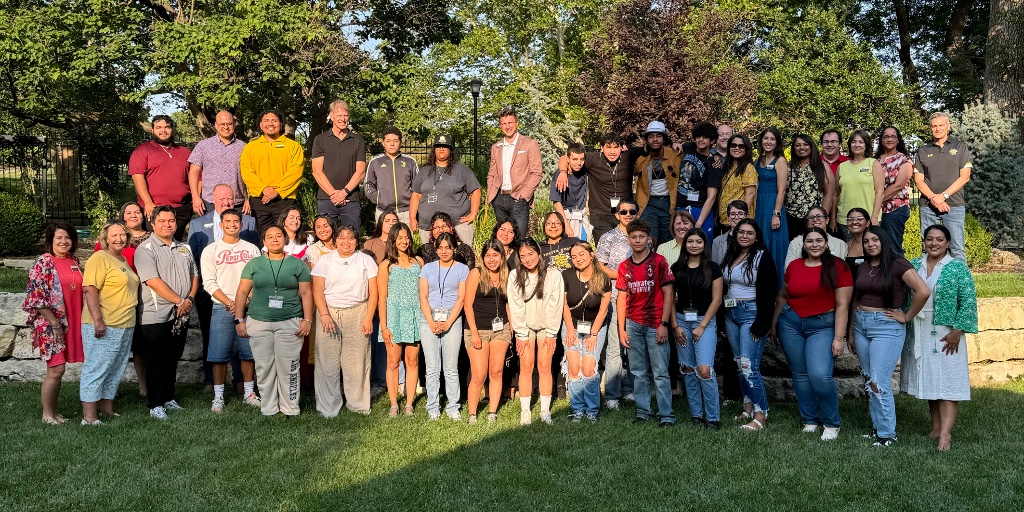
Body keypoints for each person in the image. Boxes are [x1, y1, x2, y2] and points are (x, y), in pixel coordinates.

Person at [850, 225, 930, 446]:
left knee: (878, 381)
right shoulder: (864, 265)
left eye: (875, 240)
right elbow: (857, 298)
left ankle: (887, 434)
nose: (871, 244)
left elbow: (923, 291)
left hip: (886, 327)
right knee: (868, 379)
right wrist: (850, 330)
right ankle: (878, 429)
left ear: (883, 241)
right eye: (866, 241)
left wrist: (906, 316)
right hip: (861, 325)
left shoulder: (898, 264)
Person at [901, 225, 977, 451]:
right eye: (930, 239)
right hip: (919, 328)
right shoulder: (914, 265)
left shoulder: (957, 268)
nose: (934, 243)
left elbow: (969, 301)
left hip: (946, 330)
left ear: (947, 243)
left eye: (939, 239)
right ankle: (935, 428)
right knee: (930, 379)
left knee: (948, 382)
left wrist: (957, 330)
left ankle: (945, 434)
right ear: (923, 241)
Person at [773, 227, 852, 440]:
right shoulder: (794, 266)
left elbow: (842, 305)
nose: (814, 244)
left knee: (819, 374)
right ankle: (809, 419)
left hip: (823, 325)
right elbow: (783, 295)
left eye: (819, 241)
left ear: (826, 244)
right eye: (810, 241)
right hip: (790, 323)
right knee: (800, 374)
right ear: (804, 245)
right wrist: (774, 324)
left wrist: (838, 338)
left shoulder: (838, 267)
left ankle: (831, 422)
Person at [234, 225, 313, 417]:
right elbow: (242, 292)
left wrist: (307, 319)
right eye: (270, 236)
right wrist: (239, 319)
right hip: (258, 322)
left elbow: (306, 292)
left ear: (285, 239)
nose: (275, 239)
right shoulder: (254, 264)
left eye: (279, 236)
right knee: (264, 366)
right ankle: (268, 407)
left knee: (289, 367)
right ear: (264, 241)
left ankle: (290, 407)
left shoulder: (297, 264)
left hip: (289, 321)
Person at [187, 184, 259, 392]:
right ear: (213, 199)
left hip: (245, 297)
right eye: (222, 198)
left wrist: (245, 299)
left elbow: (255, 266)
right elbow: (195, 259)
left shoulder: (249, 222)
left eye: (230, 198)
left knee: (243, 343)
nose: (226, 202)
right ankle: (212, 382)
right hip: (212, 294)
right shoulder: (198, 224)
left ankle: (240, 382)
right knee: (213, 339)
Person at [135, 206, 199, 420]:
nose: (168, 224)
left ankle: (168, 397)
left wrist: (188, 299)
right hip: (156, 315)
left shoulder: (185, 248)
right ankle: (155, 404)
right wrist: (180, 300)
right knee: (157, 360)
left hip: (182, 312)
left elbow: (194, 275)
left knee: (173, 357)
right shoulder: (145, 249)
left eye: (171, 220)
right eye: (162, 221)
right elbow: (153, 281)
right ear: (153, 224)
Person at [311, 225, 379, 416]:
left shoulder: (365, 260)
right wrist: (324, 315)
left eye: (350, 238)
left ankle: (357, 404)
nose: (346, 242)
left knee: (357, 362)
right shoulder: (325, 260)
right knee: (327, 362)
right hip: (329, 313)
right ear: (336, 240)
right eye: (341, 237)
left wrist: (368, 318)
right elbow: (317, 290)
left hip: (358, 312)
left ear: (356, 241)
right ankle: (328, 406)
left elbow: (374, 293)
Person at [199, 209, 262, 413]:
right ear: (221, 225)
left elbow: (257, 278)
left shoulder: (252, 249)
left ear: (241, 225)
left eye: (236, 221)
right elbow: (208, 282)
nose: (232, 224)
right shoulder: (211, 250)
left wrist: (245, 300)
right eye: (228, 221)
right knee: (218, 353)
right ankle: (218, 397)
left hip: (249, 307)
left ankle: (249, 393)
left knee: (248, 351)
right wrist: (230, 302)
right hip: (221, 306)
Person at [79, 220, 140, 424]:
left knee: (116, 368)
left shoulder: (121, 259)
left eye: (122, 235)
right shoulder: (99, 258)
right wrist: (98, 320)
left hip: (125, 323)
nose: (119, 238)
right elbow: (89, 289)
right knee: (97, 367)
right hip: (105, 323)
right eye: (114, 235)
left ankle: (107, 409)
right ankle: (89, 417)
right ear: (105, 239)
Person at [616, 218, 675, 427]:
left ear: (648, 239)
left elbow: (669, 294)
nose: (638, 240)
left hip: (655, 322)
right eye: (634, 237)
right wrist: (622, 328)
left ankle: (666, 414)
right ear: (628, 239)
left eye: (642, 237)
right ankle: (643, 411)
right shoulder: (624, 266)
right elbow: (621, 298)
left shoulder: (659, 261)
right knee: (638, 372)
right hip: (633, 323)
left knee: (660, 372)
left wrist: (664, 324)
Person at [23, 223, 83, 425]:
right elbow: (36, 298)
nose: (64, 242)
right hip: (51, 324)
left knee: (60, 370)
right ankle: (47, 414)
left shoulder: (74, 261)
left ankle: (55, 413)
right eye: (58, 238)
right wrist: (55, 324)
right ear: (51, 240)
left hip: (73, 321)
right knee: (56, 369)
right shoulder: (43, 263)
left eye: (67, 237)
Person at [721, 219, 778, 431]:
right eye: (741, 232)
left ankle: (761, 414)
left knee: (748, 364)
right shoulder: (731, 255)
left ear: (756, 236)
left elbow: (770, 292)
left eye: (750, 233)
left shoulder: (763, 257)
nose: (745, 236)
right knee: (738, 364)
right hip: (731, 314)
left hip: (752, 314)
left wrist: (762, 323)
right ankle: (748, 407)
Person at [670, 228, 723, 429]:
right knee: (688, 368)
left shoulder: (713, 268)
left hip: (704, 321)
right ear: (685, 244)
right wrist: (675, 326)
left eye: (698, 242)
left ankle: (713, 417)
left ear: (704, 245)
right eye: (690, 241)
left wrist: (701, 326)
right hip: (682, 321)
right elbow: (671, 300)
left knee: (704, 369)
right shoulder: (677, 268)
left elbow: (717, 300)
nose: (694, 245)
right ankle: (696, 414)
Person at [508, 238, 565, 425]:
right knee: (526, 366)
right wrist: (521, 334)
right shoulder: (515, 275)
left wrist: (551, 333)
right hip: (525, 326)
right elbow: (516, 307)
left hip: (546, 326)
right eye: (522, 256)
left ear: (538, 254)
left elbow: (555, 305)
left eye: (530, 254)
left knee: (544, 366)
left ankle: (545, 410)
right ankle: (525, 410)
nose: (527, 259)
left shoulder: (554, 275)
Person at [418, 232, 470, 420]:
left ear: (454, 248)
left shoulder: (462, 269)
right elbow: (423, 296)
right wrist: (431, 321)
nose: (444, 251)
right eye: (440, 247)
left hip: (452, 317)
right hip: (429, 317)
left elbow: (461, 298)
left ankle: (453, 406)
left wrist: (448, 321)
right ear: (436, 249)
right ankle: (433, 407)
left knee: (450, 367)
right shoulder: (427, 268)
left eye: (448, 247)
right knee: (432, 367)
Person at [913, 112, 973, 263]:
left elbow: (964, 177)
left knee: (956, 248)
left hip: (954, 205)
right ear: (930, 128)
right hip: (928, 206)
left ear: (948, 126)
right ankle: (927, 285)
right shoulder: (923, 150)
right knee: (927, 248)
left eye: (941, 125)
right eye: (934, 126)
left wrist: (943, 196)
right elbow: (919, 181)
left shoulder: (960, 147)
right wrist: (934, 198)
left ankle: (961, 286)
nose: (937, 129)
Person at [596, 200, 639, 409]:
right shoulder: (608, 238)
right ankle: (612, 394)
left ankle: (629, 389)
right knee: (614, 347)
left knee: (632, 347)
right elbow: (600, 266)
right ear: (617, 215)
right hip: (615, 297)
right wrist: (625, 276)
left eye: (632, 211)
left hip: (638, 300)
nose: (628, 214)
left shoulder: (642, 238)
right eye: (623, 211)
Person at [377, 222, 423, 417]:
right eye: (400, 238)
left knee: (412, 360)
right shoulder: (386, 265)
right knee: (393, 362)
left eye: (406, 237)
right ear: (393, 241)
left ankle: (410, 403)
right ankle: (394, 403)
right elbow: (382, 298)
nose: (404, 241)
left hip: (414, 315)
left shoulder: (419, 262)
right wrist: (384, 326)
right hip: (394, 317)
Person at [561, 241, 611, 422]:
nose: (578, 259)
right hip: (571, 326)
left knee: (589, 368)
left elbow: (604, 309)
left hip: (595, 327)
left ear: (591, 254)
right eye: (574, 257)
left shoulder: (602, 278)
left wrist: (594, 333)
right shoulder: (566, 275)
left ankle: (592, 409)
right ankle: (577, 408)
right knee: (574, 368)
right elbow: (564, 305)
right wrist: (569, 330)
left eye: (581, 254)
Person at [463, 239, 512, 423]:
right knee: (479, 374)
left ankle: (492, 412)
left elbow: (507, 304)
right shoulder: (476, 273)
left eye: (495, 255)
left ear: (502, 256)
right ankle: (472, 413)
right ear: (483, 257)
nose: (491, 259)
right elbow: (467, 305)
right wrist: (474, 333)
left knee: (496, 371)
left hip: (501, 330)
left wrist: (511, 328)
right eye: (488, 255)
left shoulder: (507, 275)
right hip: (478, 330)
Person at [555, 134, 634, 242]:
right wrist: (563, 172)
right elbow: (566, 157)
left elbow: (649, 149)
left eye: (616, 147)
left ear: (621, 147)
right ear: (601, 148)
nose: (612, 152)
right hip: (600, 215)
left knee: (626, 249)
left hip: (625, 214)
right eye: (608, 147)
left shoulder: (629, 155)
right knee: (605, 249)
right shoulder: (593, 159)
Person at [240, 110, 304, 233]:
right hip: (259, 200)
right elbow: (247, 172)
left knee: (286, 236)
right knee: (262, 236)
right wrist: (264, 189)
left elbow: (296, 172)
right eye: (266, 121)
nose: (270, 124)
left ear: (281, 124)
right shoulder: (250, 147)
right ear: (260, 125)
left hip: (284, 199)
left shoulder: (293, 146)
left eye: (274, 120)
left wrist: (277, 191)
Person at [129, 115, 192, 240]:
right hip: (154, 208)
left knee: (175, 244)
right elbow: (137, 177)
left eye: (167, 127)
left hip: (181, 209)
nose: (163, 131)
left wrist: (194, 200)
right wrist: (147, 202)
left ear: (172, 129)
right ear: (152, 130)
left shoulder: (185, 152)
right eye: (159, 127)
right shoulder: (142, 150)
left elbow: (196, 177)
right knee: (155, 246)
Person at [410, 135, 480, 244]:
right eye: (438, 146)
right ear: (434, 150)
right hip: (428, 226)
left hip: (458, 225)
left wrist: (473, 213)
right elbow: (416, 195)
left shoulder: (462, 170)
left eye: (444, 146)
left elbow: (475, 191)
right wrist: (412, 218)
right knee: (430, 258)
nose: (441, 149)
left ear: (450, 150)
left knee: (462, 258)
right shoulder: (424, 171)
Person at [487, 107, 542, 238]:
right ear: (500, 126)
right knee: (503, 240)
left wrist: (524, 196)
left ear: (517, 123)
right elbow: (492, 173)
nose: (507, 126)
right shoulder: (496, 147)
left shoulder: (529, 144)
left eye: (510, 123)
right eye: (504, 124)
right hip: (499, 199)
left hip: (518, 198)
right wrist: (492, 195)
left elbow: (537, 172)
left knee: (519, 239)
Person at [310, 100, 367, 227]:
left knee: (352, 238)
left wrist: (344, 192)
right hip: (326, 199)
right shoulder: (320, 140)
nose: (342, 119)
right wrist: (333, 194)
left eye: (345, 115)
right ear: (331, 116)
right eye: (339, 115)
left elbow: (361, 172)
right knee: (326, 238)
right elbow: (317, 171)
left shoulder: (358, 140)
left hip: (351, 199)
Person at [188, 110, 249, 216]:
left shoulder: (244, 147)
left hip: (237, 203)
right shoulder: (203, 146)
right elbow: (194, 172)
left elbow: (250, 175)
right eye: (222, 124)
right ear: (216, 125)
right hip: (210, 203)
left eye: (229, 124)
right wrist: (195, 197)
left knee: (236, 232)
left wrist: (249, 199)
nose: (226, 127)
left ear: (234, 124)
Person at [633, 121, 682, 246]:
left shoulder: (675, 154)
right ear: (647, 139)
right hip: (649, 204)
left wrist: (715, 156)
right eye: (651, 136)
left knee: (668, 241)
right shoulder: (641, 159)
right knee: (649, 240)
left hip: (668, 203)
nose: (655, 139)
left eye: (659, 136)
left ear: (664, 138)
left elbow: (696, 149)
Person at [833, 130, 883, 240]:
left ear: (866, 144)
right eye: (854, 142)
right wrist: (833, 219)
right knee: (850, 251)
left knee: (869, 251)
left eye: (861, 142)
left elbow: (879, 192)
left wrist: (874, 217)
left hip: (867, 219)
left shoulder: (873, 163)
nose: (857, 145)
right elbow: (836, 195)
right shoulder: (842, 167)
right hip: (845, 220)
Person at [785, 134, 834, 242]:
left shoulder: (821, 166)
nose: (801, 147)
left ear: (811, 147)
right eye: (798, 145)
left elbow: (829, 193)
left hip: (814, 218)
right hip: (791, 219)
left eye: (805, 144)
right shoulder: (788, 167)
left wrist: (821, 217)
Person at [365, 126, 419, 224]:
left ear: (400, 142)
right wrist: (378, 199)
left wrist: (412, 203)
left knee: (406, 239)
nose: (392, 144)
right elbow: (368, 184)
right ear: (383, 143)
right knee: (385, 239)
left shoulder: (410, 162)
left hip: (407, 212)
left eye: (395, 140)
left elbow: (418, 186)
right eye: (388, 141)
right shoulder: (375, 162)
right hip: (383, 212)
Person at [753, 128, 789, 273]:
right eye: (766, 138)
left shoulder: (780, 161)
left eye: (772, 139)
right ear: (761, 140)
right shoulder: (758, 160)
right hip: (758, 206)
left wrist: (776, 214)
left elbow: (782, 190)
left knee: (773, 243)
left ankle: (777, 286)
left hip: (773, 206)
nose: (768, 142)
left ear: (777, 142)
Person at [677, 122, 722, 238]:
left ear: (712, 141)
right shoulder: (689, 147)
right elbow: (676, 146)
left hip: (700, 209)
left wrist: (700, 222)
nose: (701, 140)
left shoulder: (714, 165)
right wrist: (674, 144)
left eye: (705, 137)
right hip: (681, 207)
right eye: (698, 136)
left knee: (702, 244)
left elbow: (711, 197)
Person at [875, 126, 914, 255]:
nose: (889, 139)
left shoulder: (904, 160)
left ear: (898, 140)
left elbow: (898, 186)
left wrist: (876, 201)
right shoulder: (875, 160)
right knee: (876, 249)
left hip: (894, 210)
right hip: (876, 210)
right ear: (881, 140)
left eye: (893, 136)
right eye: (886, 136)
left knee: (892, 249)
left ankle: (899, 275)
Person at [550, 143, 592, 240]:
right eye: (575, 159)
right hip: (566, 216)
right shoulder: (559, 176)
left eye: (581, 159)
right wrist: (566, 225)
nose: (578, 163)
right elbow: (556, 203)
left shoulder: (584, 170)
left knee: (583, 247)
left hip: (581, 216)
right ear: (568, 159)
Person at [785, 206, 849, 269]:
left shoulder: (840, 244)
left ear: (827, 220)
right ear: (807, 223)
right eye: (811, 217)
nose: (815, 220)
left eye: (819, 217)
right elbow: (789, 270)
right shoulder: (795, 242)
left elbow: (843, 270)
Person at [716, 135, 757, 232]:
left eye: (741, 146)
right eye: (733, 145)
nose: (737, 148)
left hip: (738, 221)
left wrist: (742, 219)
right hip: (725, 219)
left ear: (746, 149)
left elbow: (750, 194)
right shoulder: (727, 166)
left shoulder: (748, 168)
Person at [712, 200, 748, 265]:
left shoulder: (753, 240)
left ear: (746, 216)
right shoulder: (717, 242)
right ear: (728, 217)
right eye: (733, 214)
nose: (736, 217)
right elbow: (714, 268)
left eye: (740, 214)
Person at [843, 208, 872, 281]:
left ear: (868, 222)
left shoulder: (874, 244)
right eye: (850, 219)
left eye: (859, 219)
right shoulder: (847, 245)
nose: (854, 222)